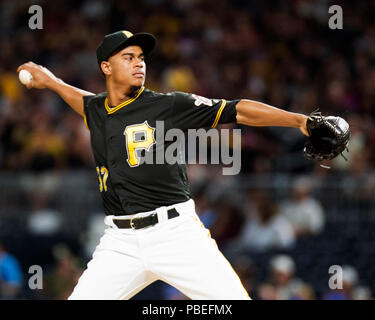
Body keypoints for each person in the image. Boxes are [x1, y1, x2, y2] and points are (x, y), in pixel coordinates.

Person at [17, 30, 309, 300]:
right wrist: (52, 82)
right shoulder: (97, 110)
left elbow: (237, 110)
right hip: (120, 241)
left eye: (141, 58)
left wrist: (300, 121)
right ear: (106, 67)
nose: (139, 64)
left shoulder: (168, 106)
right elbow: (83, 102)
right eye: (128, 57)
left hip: (176, 233)